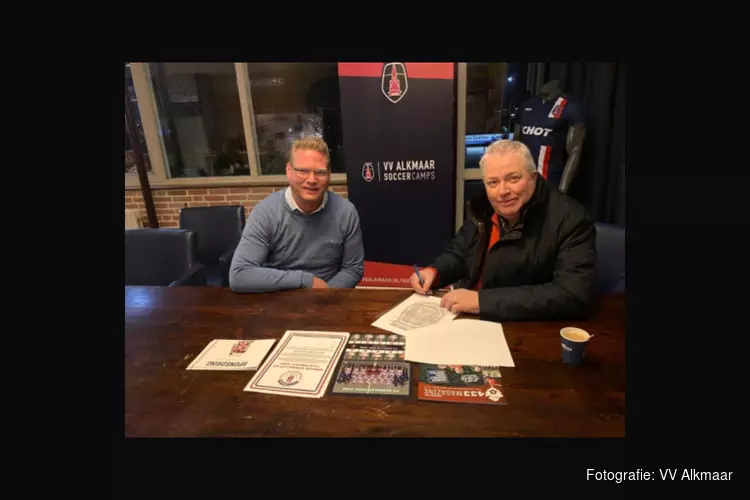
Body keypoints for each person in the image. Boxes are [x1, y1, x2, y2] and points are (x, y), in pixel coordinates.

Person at [409, 139, 597, 321]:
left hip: (518, 325)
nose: (502, 191)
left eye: (513, 178)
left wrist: (483, 302)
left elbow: (573, 295)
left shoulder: (571, 218)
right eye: (493, 182)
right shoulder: (481, 207)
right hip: (466, 315)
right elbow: (459, 253)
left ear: (533, 177)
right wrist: (436, 272)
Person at [229, 136, 364, 293]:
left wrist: (326, 293)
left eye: (320, 172)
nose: (311, 180)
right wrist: (306, 281)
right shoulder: (265, 213)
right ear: (289, 171)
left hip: (330, 295)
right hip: (281, 297)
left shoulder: (346, 212)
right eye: (303, 171)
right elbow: (240, 275)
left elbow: (353, 269)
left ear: (329, 175)